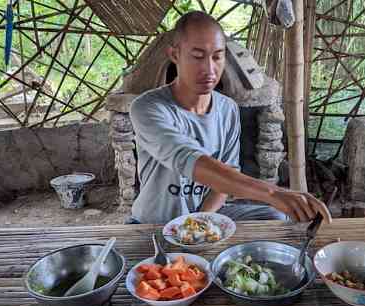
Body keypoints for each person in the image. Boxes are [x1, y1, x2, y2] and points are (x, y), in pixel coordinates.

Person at [128, 11, 331, 225]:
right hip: (154, 222)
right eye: (197, 56)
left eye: (217, 56)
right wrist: (273, 193)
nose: (209, 69)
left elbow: (225, 180)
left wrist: (198, 224)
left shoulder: (228, 109)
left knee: (273, 217)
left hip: (203, 215)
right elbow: (188, 159)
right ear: (174, 54)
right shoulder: (147, 108)